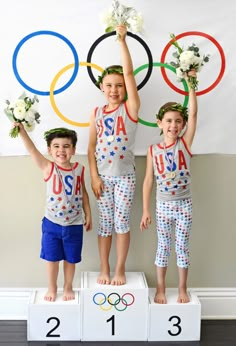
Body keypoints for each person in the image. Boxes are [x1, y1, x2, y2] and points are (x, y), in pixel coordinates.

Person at [88, 24, 140, 286]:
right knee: (105, 225)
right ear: (101, 87)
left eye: (119, 85)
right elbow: (90, 149)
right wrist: (95, 177)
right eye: (108, 85)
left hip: (125, 177)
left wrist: (122, 41)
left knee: (121, 223)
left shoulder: (130, 109)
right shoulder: (96, 113)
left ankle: (120, 269)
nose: (114, 90)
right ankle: (104, 268)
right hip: (103, 179)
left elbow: (129, 73)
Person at [15, 124, 92, 301]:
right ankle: (52, 287)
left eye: (66, 146)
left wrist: (88, 214)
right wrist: (22, 132)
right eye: (56, 146)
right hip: (52, 224)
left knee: (71, 259)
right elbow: (32, 150)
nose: (61, 150)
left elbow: (83, 192)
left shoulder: (79, 169)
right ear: (50, 150)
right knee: (52, 259)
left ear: (73, 149)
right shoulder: (48, 167)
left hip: (74, 224)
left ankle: (68, 286)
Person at [140, 71, 197, 304]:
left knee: (182, 247)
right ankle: (161, 288)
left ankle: (182, 287)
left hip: (184, 204)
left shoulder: (185, 143)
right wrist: (145, 210)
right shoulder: (153, 150)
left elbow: (193, 113)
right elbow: (148, 181)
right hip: (162, 205)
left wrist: (191, 84)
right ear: (160, 123)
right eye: (169, 121)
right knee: (163, 247)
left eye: (178, 121)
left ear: (183, 125)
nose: (173, 125)